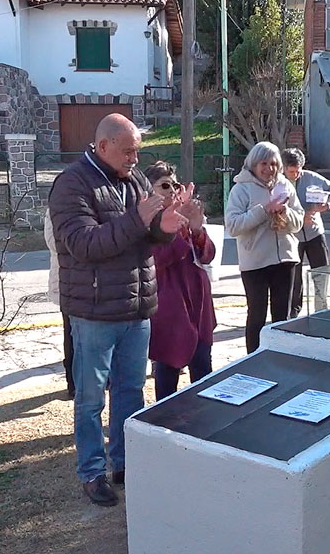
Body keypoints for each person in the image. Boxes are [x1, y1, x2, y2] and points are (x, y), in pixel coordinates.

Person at [49, 113, 189, 507]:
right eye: (128, 151)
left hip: (137, 308)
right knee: (91, 398)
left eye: (137, 152)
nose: (134, 158)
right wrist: (138, 218)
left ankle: (125, 462)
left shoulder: (134, 180)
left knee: (131, 391)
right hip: (93, 312)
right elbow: (84, 245)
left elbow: (147, 235)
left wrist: (167, 225)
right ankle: (92, 471)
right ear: (103, 145)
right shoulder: (71, 184)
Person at [144, 161, 217, 400]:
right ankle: (163, 424)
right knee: (167, 371)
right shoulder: (147, 221)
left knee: (203, 367)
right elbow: (159, 258)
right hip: (169, 306)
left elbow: (207, 255)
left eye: (175, 185)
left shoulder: (185, 214)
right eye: (164, 186)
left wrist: (196, 230)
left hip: (199, 302)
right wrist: (177, 229)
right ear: (149, 190)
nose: (173, 191)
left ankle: (204, 423)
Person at [225, 141, 304, 354]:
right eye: (263, 163)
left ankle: (282, 355)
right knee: (257, 315)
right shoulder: (240, 189)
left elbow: (298, 222)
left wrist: (284, 213)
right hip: (255, 262)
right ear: (253, 163)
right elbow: (232, 226)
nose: (269, 169)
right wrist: (264, 211)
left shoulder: (285, 186)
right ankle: (253, 359)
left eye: (273, 163)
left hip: (285, 260)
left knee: (282, 316)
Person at [282, 148, 330, 317]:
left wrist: (327, 204)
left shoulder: (312, 177)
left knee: (322, 272)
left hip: (315, 233)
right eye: (291, 171)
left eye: (298, 170)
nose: (295, 174)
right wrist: (299, 218)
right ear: (283, 168)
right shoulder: (278, 183)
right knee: (294, 277)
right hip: (292, 235)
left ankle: (321, 309)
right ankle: (293, 312)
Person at [43, 209, 75, 399]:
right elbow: (52, 241)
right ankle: (73, 383)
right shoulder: (58, 204)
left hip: (97, 285)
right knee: (71, 335)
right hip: (68, 282)